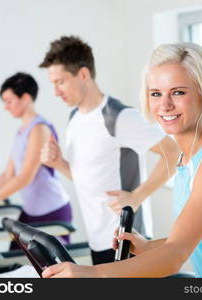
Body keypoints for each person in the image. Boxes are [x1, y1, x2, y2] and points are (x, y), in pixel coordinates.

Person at [41, 42, 202, 277]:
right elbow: (197, 236)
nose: (164, 105)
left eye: (178, 92)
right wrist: (148, 246)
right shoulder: (188, 158)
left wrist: (89, 274)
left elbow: (175, 255)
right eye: (156, 94)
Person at [39, 36, 180, 265]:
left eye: (60, 82)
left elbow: (173, 153)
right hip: (97, 241)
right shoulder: (75, 118)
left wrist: (137, 196)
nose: (56, 91)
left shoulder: (120, 117)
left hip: (127, 241)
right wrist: (59, 164)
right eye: (53, 83)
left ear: (83, 74)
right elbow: (89, 177)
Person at [0, 72, 72, 244]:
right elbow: (7, 175)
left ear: (25, 98)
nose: (5, 107)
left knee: (46, 268)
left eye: (9, 101)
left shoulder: (40, 129)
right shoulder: (22, 131)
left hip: (51, 210)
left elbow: (24, 177)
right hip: (31, 211)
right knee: (15, 260)